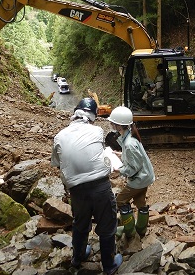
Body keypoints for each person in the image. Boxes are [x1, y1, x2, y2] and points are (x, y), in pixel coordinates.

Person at [51, 97, 122, 274]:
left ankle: (78, 256)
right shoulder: (97, 131)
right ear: (93, 116)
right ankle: (109, 264)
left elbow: (57, 163)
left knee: (80, 223)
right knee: (107, 224)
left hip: (76, 190)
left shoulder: (59, 136)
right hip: (100, 186)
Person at [108, 106, 155, 238]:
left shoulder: (129, 143)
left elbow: (133, 168)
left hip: (139, 179)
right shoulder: (129, 138)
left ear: (118, 126)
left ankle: (129, 230)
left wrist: (117, 168)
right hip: (145, 177)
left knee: (120, 201)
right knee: (140, 202)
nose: (111, 125)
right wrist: (121, 155)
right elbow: (135, 158)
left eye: (112, 123)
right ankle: (141, 229)